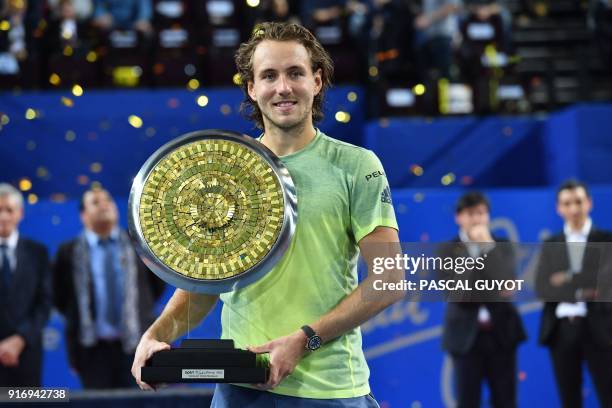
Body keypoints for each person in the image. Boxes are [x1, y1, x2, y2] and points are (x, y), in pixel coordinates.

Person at [131, 21, 404, 407]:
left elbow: (390, 278)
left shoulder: (356, 165)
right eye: (269, 76)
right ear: (252, 88)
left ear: (318, 80)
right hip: (240, 389)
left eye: (295, 73)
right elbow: (204, 285)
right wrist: (157, 333)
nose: (283, 88)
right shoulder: (225, 171)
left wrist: (304, 339)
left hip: (328, 391)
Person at [53, 187, 165, 389]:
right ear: (83, 215)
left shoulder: (139, 245)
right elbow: (61, 300)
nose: (104, 205)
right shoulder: (67, 252)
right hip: (92, 351)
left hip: (137, 346)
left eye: (108, 200)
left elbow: (156, 287)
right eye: (95, 202)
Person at [439, 191, 526, 408]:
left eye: (481, 213)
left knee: (506, 401)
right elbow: (456, 293)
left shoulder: (502, 244)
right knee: (467, 402)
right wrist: (472, 253)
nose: (477, 219)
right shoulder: (447, 250)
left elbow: (507, 285)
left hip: (502, 334)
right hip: (465, 338)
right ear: (458, 217)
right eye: (470, 214)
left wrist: (487, 247)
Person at [535, 180, 612, 408]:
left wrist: (566, 279)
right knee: (569, 399)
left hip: (601, 330)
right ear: (559, 208)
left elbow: (606, 284)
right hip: (562, 332)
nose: (574, 209)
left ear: (589, 203)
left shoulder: (607, 240)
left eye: (578, 202)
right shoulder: (551, 243)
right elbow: (542, 288)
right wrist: (585, 286)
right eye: (567, 203)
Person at [0, 183, 51, 387]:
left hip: (26, 353)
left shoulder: (38, 252)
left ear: (20, 213)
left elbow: (45, 303)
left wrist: (19, 340)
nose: (3, 216)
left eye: (9, 210)